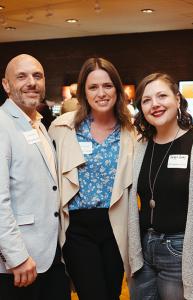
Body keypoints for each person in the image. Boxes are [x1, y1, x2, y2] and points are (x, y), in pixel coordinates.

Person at [128, 72, 193, 300]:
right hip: (144, 249)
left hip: (182, 251)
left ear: (177, 99)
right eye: (146, 100)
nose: (155, 104)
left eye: (162, 96)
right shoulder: (141, 146)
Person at [48, 57, 134, 300]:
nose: (101, 93)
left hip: (116, 227)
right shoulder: (63, 128)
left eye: (107, 86)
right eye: (93, 87)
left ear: (117, 89)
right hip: (78, 229)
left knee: (112, 293)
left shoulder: (131, 132)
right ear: (84, 92)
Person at [0, 54, 70, 300]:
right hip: (18, 265)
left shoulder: (39, 125)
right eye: (22, 76)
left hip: (50, 256)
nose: (31, 82)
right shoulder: (2, 125)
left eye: (37, 76)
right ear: (6, 85)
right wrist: (16, 257)